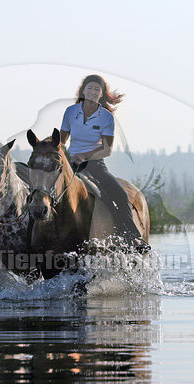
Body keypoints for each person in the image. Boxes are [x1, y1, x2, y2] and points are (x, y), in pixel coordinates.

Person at [59, 74, 150, 253]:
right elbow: (61, 141)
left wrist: (85, 156)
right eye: (90, 88)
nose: (93, 92)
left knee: (121, 195)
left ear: (101, 94)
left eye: (97, 89)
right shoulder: (70, 112)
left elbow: (107, 150)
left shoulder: (106, 117)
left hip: (94, 164)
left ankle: (132, 238)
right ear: (83, 91)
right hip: (71, 163)